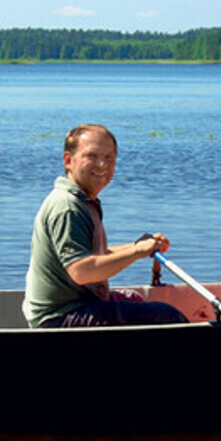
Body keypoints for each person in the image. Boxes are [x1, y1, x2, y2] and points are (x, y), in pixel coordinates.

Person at [22, 124, 188, 328]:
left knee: (133, 298)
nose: (102, 165)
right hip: (59, 317)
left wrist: (139, 247)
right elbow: (81, 271)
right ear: (68, 160)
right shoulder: (67, 207)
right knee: (167, 316)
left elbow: (95, 255)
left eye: (109, 158)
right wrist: (136, 252)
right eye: (91, 156)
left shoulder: (83, 200)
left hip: (75, 307)